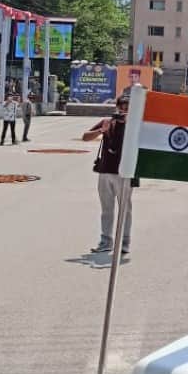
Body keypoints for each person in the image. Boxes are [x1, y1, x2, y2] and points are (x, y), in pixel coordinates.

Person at [83, 93, 133, 254]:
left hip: (124, 173)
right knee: (106, 209)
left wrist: (129, 124)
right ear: (117, 107)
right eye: (122, 108)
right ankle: (105, 241)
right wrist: (100, 131)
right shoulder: (107, 122)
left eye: (128, 109)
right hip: (105, 171)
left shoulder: (135, 126)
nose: (124, 111)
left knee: (125, 209)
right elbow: (85, 137)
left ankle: (124, 243)